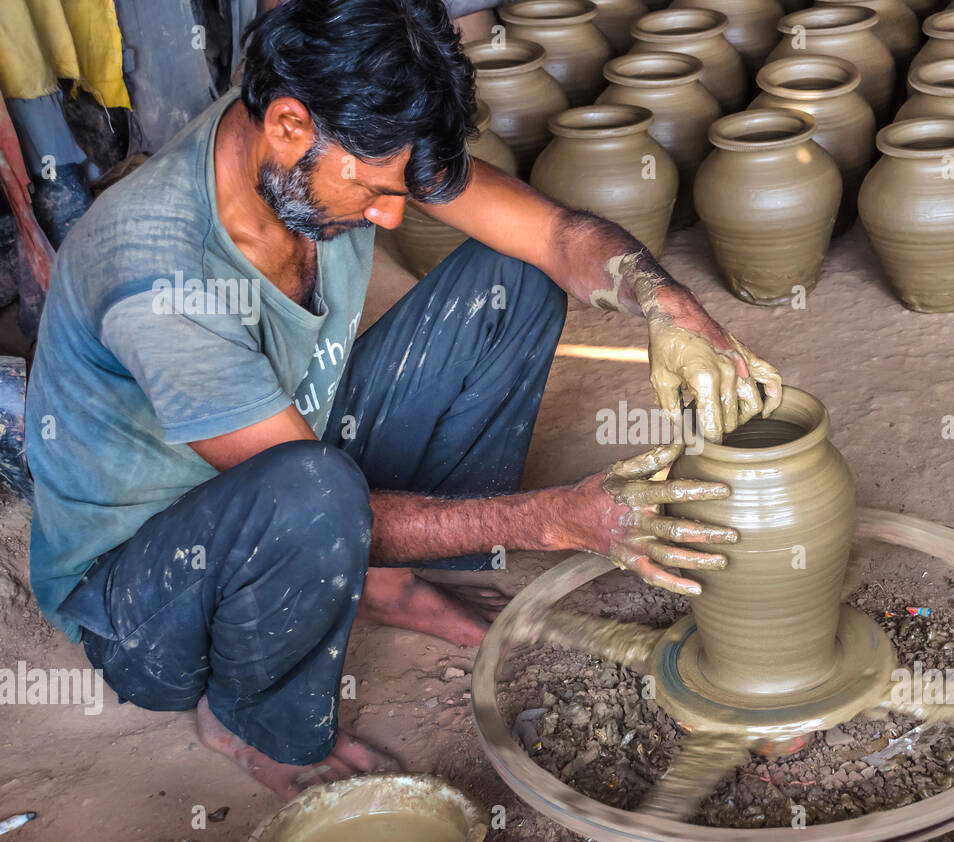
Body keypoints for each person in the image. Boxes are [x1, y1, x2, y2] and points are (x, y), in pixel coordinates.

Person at [24, 0, 782, 800]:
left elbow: (556, 238)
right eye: (377, 192)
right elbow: (304, 491)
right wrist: (552, 518)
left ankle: (380, 579)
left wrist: (670, 308)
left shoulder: (332, 131)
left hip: (289, 464)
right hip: (147, 597)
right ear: (287, 126)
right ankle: (250, 720)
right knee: (312, 493)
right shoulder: (156, 275)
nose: (390, 214)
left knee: (513, 277)